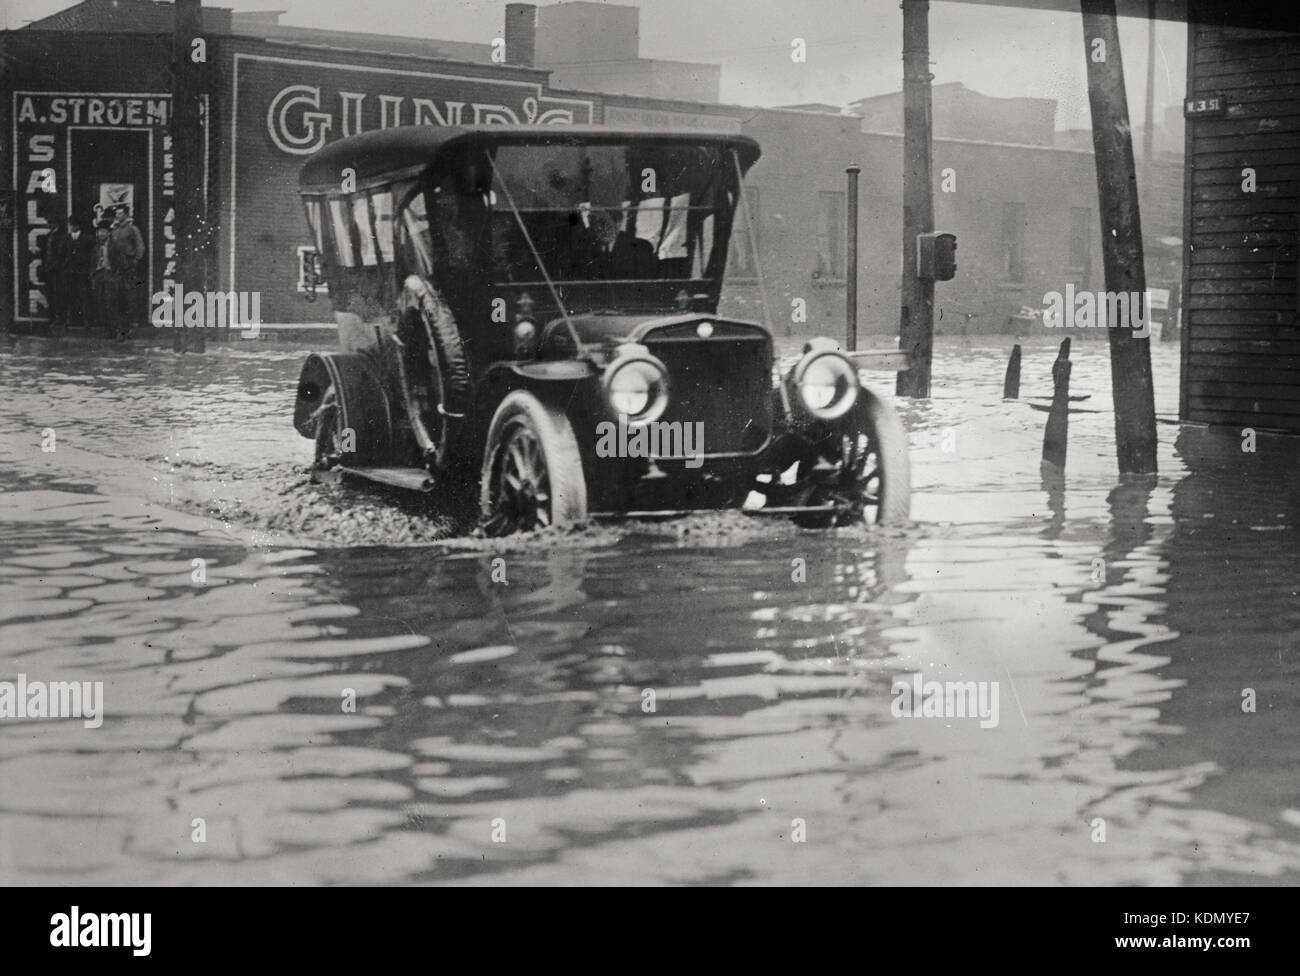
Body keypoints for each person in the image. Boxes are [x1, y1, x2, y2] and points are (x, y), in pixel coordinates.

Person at [108, 205, 145, 339]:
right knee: (117, 298)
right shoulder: (114, 230)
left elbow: (140, 246)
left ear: (126, 214)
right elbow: (111, 247)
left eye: (120, 213)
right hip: (117, 267)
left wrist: (135, 260)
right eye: (116, 213)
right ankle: (119, 328)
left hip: (128, 266)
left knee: (129, 298)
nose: (118, 215)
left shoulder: (133, 229)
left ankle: (128, 328)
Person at [63, 216, 95, 327]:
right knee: (70, 295)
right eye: (71, 224)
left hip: (83, 272)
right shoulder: (66, 238)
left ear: (78, 226)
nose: (72, 227)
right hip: (70, 272)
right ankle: (70, 319)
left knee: (84, 295)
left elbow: (91, 255)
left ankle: (86, 319)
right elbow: (62, 254)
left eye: (74, 225)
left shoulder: (87, 238)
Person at [90, 221, 118, 333]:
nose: (101, 234)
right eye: (99, 232)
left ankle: (113, 328)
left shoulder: (114, 247)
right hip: (99, 276)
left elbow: (119, 262)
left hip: (110, 276)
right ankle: (107, 328)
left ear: (109, 233)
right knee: (100, 302)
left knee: (110, 302)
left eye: (103, 231)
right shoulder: (95, 248)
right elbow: (92, 264)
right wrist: (93, 276)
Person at [43, 217, 70, 328]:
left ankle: (60, 318)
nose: (48, 225)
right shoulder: (49, 235)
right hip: (49, 269)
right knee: (51, 294)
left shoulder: (61, 236)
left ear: (55, 223)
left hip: (57, 270)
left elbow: (62, 255)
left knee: (59, 295)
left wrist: (58, 266)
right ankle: (54, 317)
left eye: (50, 222)